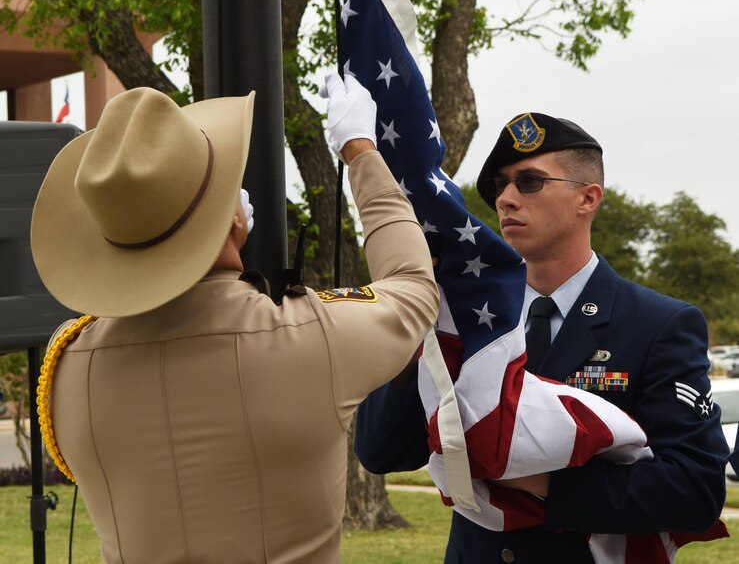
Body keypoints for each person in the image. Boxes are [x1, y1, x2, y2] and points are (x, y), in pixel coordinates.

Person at [30, 80, 439, 563]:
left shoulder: (67, 369)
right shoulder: (311, 337)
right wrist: (360, 151)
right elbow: (413, 284)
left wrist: (198, 240)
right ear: (235, 219)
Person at [355, 112, 729, 563]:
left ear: (587, 198)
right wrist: (419, 334)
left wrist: (536, 485)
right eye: (499, 186)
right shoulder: (465, 321)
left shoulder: (659, 324)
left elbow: (693, 489)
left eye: (529, 182)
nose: (506, 198)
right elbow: (380, 451)